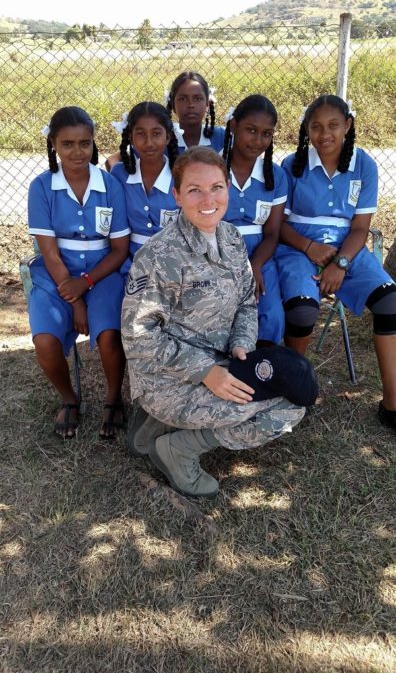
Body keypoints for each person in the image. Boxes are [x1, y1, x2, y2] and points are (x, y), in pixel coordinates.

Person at [122, 147, 317, 498]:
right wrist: (205, 372)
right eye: (195, 190)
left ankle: (156, 427)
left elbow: (246, 300)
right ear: (177, 195)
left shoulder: (231, 238)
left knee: (293, 388)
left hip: (223, 360)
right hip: (168, 378)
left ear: (229, 189)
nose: (208, 199)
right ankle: (179, 448)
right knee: (288, 409)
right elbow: (139, 337)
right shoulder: (159, 255)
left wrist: (242, 343)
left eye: (217, 187)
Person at [275, 94, 396, 431]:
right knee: (301, 310)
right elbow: (278, 226)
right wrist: (309, 247)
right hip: (298, 248)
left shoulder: (364, 164)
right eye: (315, 127)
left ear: (348, 125)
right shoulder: (292, 165)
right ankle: (294, 393)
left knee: (390, 303)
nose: (324, 134)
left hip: (348, 249)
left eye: (332, 125)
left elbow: (360, 228)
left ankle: (392, 403)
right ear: (306, 129)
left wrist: (340, 264)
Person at [28, 106, 130, 439]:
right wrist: (74, 300)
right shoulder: (42, 187)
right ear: (54, 145)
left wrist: (86, 283)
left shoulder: (110, 185)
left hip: (101, 271)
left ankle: (113, 399)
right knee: (44, 340)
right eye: (67, 144)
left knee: (109, 336)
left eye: (85, 143)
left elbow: (119, 250)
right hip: (57, 274)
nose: (77, 151)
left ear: (93, 143)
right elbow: (50, 253)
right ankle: (69, 399)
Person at [222, 94, 286, 345]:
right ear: (233, 126)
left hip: (259, 256)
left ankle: (262, 372)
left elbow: (272, 234)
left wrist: (255, 266)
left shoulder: (276, 176)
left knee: (271, 316)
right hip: (216, 255)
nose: (258, 140)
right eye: (251, 130)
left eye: (266, 134)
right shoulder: (211, 167)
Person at [110, 102, 179, 276]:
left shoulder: (182, 174)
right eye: (141, 134)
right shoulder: (119, 174)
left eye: (156, 134)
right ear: (131, 138)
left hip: (177, 264)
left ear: (168, 136)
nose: (149, 142)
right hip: (132, 265)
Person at [165, 71, 225, 153]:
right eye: (183, 99)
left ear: (207, 103)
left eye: (198, 98)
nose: (191, 105)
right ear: (173, 104)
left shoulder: (222, 137)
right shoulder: (161, 141)